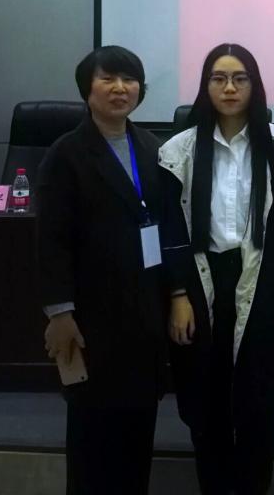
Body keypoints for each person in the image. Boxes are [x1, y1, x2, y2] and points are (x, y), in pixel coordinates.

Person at [157, 43, 274, 495]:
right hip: (199, 283)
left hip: (263, 280)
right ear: (205, 86)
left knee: (256, 404)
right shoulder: (179, 150)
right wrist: (178, 294)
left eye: (239, 78)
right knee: (205, 402)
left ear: (254, 85)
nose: (229, 88)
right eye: (219, 78)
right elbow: (168, 228)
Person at [38, 46, 167, 495]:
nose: (120, 89)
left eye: (129, 80)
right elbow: (51, 240)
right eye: (108, 78)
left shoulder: (152, 147)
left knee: (137, 438)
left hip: (144, 313)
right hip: (91, 316)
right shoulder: (67, 153)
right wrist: (60, 312)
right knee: (92, 439)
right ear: (86, 89)